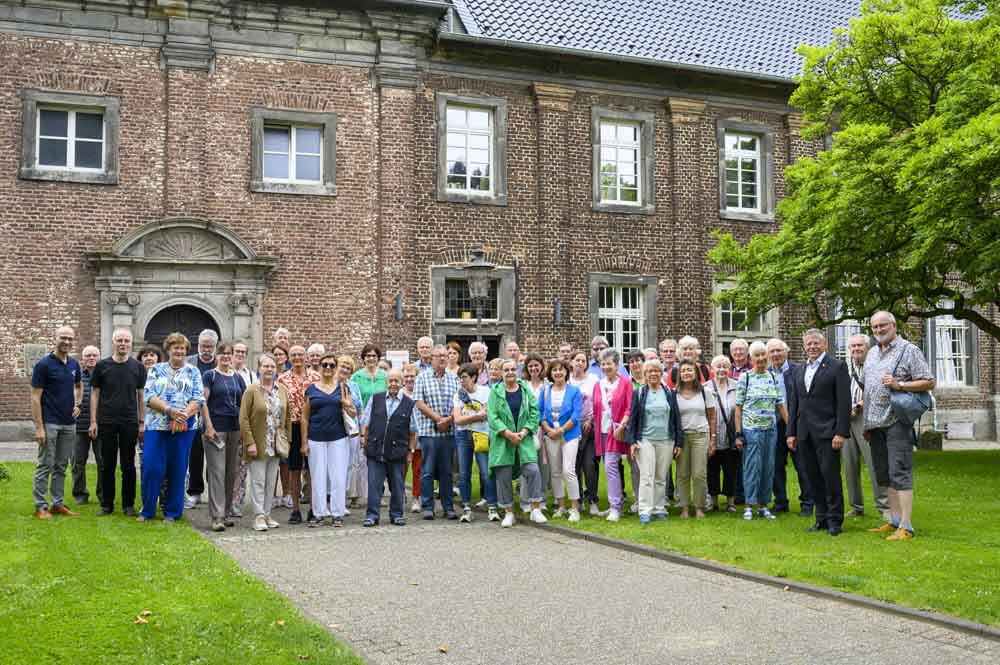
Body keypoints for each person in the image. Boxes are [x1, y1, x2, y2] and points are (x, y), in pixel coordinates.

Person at [863, 311, 934, 541]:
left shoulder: (909, 350)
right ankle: (893, 520)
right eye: (874, 327)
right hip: (875, 424)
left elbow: (929, 381)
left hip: (896, 422)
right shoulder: (872, 352)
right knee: (885, 475)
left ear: (893, 325)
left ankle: (906, 526)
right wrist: (866, 422)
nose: (879, 330)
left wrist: (899, 384)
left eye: (883, 325)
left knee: (900, 472)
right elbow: (870, 390)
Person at [787, 329, 851, 537]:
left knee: (830, 477)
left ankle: (835, 520)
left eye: (816, 343)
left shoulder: (837, 367)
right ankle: (820, 518)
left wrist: (841, 432)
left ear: (825, 345)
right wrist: (791, 433)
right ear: (804, 346)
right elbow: (794, 402)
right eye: (808, 344)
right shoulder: (798, 370)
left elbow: (844, 403)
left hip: (827, 432)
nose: (812, 347)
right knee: (812, 477)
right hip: (804, 433)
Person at [139, 332, 204, 522]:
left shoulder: (193, 372)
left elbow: (199, 398)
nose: (179, 351)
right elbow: (149, 396)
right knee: (152, 467)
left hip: (185, 428)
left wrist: (183, 415)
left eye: (182, 348)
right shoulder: (156, 370)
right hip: (157, 426)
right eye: (175, 347)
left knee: (178, 468)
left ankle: (173, 512)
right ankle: (147, 510)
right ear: (168, 349)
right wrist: (169, 411)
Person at [90, 329, 145, 517]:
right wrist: (93, 421)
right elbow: (95, 394)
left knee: (128, 465)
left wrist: (141, 422)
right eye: (119, 340)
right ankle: (106, 504)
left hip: (129, 422)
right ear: (113, 342)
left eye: (126, 340)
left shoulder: (137, 367)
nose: (123, 343)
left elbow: (141, 395)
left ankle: (128, 504)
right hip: (106, 421)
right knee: (107, 464)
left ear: (130, 344)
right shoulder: (102, 366)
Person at [302, 353, 361, 527]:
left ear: (335, 368)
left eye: (331, 365)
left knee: (338, 476)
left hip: (338, 437)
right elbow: (305, 417)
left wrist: (346, 404)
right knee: (318, 476)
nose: (328, 368)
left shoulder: (343, 388)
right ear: (319, 367)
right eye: (325, 365)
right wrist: (304, 442)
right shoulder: (311, 389)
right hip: (315, 437)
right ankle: (319, 513)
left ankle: (337, 513)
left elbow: (353, 414)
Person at [30, 326, 83, 519]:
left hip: (69, 423)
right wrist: (39, 427)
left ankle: (57, 504)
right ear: (55, 338)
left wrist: (78, 403)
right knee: (45, 464)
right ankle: (40, 507)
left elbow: (79, 385)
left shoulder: (74, 364)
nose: (67, 342)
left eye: (70, 338)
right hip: (49, 422)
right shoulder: (43, 365)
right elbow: (35, 397)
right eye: (63, 338)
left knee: (61, 465)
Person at [734, 341, 787, 522]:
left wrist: (790, 429)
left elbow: (780, 404)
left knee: (768, 467)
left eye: (763, 354)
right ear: (751, 358)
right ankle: (749, 505)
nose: (761, 358)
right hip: (751, 429)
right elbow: (739, 408)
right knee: (752, 467)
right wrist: (738, 433)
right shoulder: (745, 378)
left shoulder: (772, 377)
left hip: (770, 430)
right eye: (757, 355)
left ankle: (764, 505)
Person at [488, 358, 543, 527]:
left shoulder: (525, 390)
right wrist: (507, 433)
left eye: (513, 369)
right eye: (506, 370)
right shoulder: (495, 392)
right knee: (503, 474)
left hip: (524, 439)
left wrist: (525, 431)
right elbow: (492, 416)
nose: (510, 372)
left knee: (532, 470)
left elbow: (535, 413)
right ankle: (509, 512)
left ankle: (535, 509)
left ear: (517, 371)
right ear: (502, 373)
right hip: (503, 440)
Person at [239, 353, 291, 532]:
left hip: (276, 444)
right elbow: (244, 418)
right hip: (259, 443)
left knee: (271, 482)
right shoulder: (251, 390)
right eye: (265, 366)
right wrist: (250, 442)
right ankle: (258, 515)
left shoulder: (282, 390)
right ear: (259, 368)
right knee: (258, 481)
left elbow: (288, 417)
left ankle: (267, 513)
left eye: (272, 367)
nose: (269, 369)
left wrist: (287, 441)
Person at [628, 359, 682, 524]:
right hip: (645, 440)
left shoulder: (669, 393)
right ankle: (645, 509)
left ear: (661, 373)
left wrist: (678, 442)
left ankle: (659, 508)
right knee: (646, 476)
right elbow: (633, 419)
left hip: (666, 440)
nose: (653, 374)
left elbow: (676, 419)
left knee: (660, 477)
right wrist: (632, 441)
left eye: (656, 371)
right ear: (645, 374)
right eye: (650, 371)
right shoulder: (639, 393)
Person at [201, 342, 247, 531]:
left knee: (231, 473)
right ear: (216, 356)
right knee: (217, 473)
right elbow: (203, 402)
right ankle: (216, 516)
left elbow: (244, 405)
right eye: (222, 353)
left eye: (229, 354)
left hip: (234, 429)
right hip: (216, 429)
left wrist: (245, 431)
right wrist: (208, 426)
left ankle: (226, 512)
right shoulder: (210, 375)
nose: (226, 357)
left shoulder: (238, 378)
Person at [361, 368, 416, 526]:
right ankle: (372, 515)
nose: (393, 383)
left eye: (396, 380)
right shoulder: (376, 398)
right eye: (390, 380)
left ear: (402, 383)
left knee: (397, 485)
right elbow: (366, 423)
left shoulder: (409, 403)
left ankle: (397, 514)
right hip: (375, 449)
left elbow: (413, 431)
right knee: (374, 485)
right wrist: (365, 442)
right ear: (386, 382)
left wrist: (411, 452)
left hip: (398, 451)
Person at [843, 334, 890, 519]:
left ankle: (884, 507)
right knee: (849, 464)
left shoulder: (876, 366)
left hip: (868, 418)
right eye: (853, 346)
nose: (856, 349)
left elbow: (880, 390)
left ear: (868, 347)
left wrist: (860, 405)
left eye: (860, 345)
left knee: (874, 463)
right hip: (846, 420)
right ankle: (856, 507)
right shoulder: (845, 367)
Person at [413, 345, 460, 519]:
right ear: (431, 358)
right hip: (429, 432)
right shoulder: (422, 378)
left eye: (444, 356)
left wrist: (448, 420)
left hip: (449, 432)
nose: (442, 358)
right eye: (438, 356)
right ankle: (427, 506)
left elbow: (460, 403)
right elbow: (418, 401)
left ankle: (448, 507)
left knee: (447, 471)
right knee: (427, 470)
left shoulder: (454, 379)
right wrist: (438, 419)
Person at [767, 338, 813, 516]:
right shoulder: (765, 372)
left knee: (802, 465)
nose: (776, 354)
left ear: (786, 352)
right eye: (772, 351)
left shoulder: (799, 370)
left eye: (779, 350)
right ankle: (780, 502)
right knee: (776, 466)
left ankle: (808, 504)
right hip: (773, 425)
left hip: (796, 424)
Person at [277, 346, 320, 523]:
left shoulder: (316, 378)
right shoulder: (282, 379)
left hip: (313, 426)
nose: (297, 358)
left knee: (312, 469)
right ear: (289, 358)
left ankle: (313, 507)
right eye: (293, 355)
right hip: (292, 427)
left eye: (300, 355)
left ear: (306, 357)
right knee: (294, 469)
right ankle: (295, 509)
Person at [538, 358, 583, 521]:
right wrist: (549, 430)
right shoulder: (546, 391)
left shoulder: (575, 391)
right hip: (551, 435)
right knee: (555, 472)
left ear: (566, 372)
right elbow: (540, 413)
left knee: (568, 470)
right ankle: (561, 506)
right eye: (554, 370)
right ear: (550, 373)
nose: (558, 372)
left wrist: (562, 430)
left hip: (569, 434)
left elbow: (576, 415)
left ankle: (574, 508)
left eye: (561, 369)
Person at [452, 363, 498, 521]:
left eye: (464, 377)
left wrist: (469, 418)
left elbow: (488, 414)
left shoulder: (486, 392)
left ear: (473, 377)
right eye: (460, 378)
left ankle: (492, 506)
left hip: (481, 434)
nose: (461, 381)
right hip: (463, 436)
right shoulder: (458, 395)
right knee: (464, 473)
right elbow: (457, 420)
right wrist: (477, 416)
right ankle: (466, 507)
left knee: (486, 472)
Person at [592, 348, 632, 521]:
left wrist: (622, 425)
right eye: (603, 363)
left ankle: (616, 506)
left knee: (611, 467)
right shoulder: (598, 384)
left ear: (617, 365)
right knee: (609, 468)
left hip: (618, 430)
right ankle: (616, 505)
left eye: (609, 363)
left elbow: (630, 407)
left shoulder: (625, 383)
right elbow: (596, 410)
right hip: (602, 430)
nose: (606, 367)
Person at [674, 359, 716, 519]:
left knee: (699, 474)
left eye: (689, 370)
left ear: (696, 373)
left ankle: (699, 507)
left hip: (701, 435)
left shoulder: (705, 392)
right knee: (682, 474)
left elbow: (712, 416)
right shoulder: (674, 393)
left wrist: (712, 439)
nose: (686, 373)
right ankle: (684, 507)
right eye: (683, 370)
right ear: (680, 374)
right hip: (682, 437)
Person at [185, 329, 218, 510]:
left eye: (210, 347)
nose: (206, 350)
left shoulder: (221, 363)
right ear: (198, 345)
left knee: (214, 458)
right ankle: (194, 492)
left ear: (215, 347)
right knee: (195, 456)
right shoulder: (188, 362)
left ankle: (214, 493)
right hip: (193, 416)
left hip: (216, 417)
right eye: (203, 346)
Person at [706, 355, 739, 513]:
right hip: (711, 437)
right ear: (712, 369)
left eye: (725, 366)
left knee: (730, 470)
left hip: (730, 436)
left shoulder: (737, 386)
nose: (721, 369)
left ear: (729, 369)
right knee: (711, 470)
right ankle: (713, 502)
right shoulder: (705, 388)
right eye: (718, 366)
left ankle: (731, 502)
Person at [71, 345, 102, 506]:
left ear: (99, 357)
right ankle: (80, 494)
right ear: (82, 359)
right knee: (77, 463)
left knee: (103, 462)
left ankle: (103, 495)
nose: (91, 358)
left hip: (101, 427)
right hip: (78, 427)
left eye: (94, 355)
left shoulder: (105, 375)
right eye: (88, 355)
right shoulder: (76, 376)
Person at [569, 351, 600, 515]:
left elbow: (598, 402)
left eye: (583, 360)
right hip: (571, 427)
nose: (580, 363)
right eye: (577, 360)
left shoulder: (593, 379)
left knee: (589, 465)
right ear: (572, 362)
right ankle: (578, 500)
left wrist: (591, 420)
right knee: (574, 467)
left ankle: (593, 500)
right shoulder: (567, 380)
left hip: (589, 427)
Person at [519, 352, 548, 512]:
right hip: (527, 430)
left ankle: (541, 500)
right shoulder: (523, 385)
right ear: (526, 368)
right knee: (527, 465)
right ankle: (525, 501)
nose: (533, 368)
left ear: (541, 367)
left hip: (543, 430)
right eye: (530, 366)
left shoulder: (547, 385)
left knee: (542, 468)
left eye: (536, 365)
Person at [230, 341, 255, 517]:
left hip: (245, 427)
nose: (239, 354)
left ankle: (237, 501)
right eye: (236, 351)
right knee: (226, 466)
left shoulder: (252, 376)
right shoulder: (224, 372)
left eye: (242, 352)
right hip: (226, 425)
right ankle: (223, 500)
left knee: (242, 467)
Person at [402, 362, 423, 513]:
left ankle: (416, 497)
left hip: (420, 435)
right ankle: (399, 493)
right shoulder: (399, 393)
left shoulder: (421, 392)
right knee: (401, 468)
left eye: (412, 376)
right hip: (403, 436)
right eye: (406, 376)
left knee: (418, 469)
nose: (409, 379)